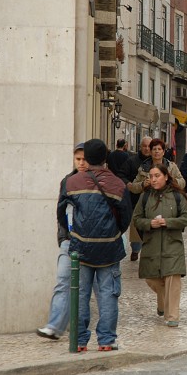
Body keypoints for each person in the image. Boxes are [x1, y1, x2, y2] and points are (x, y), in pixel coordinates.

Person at [58, 138, 132, 351]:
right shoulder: (117, 184)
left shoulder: (71, 183)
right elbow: (126, 215)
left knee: (80, 294)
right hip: (109, 247)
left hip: (80, 247)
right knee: (108, 294)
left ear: (87, 158)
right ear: (105, 157)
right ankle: (106, 341)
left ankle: (80, 341)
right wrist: (115, 232)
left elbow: (61, 213)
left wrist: (73, 234)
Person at [36, 143, 87, 341]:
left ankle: (82, 331)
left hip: (93, 242)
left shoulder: (98, 181)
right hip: (70, 240)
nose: (81, 163)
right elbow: (61, 211)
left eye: (84, 159)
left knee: (87, 287)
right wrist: (63, 236)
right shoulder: (67, 181)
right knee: (63, 282)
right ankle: (54, 326)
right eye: (78, 159)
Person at [133, 164, 187, 327]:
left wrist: (168, 222)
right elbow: (136, 219)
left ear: (166, 176)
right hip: (151, 244)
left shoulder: (177, 196)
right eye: (151, 176)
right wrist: (150, 223)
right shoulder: (145, 197)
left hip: (173, 244)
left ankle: (172, 316)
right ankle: (162, 301)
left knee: (173, 278)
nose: (153, 179)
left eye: (157, 176)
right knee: (152, 279)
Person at [118, 136, 152, 261]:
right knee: (136, 225)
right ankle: (136, 249)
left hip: (153, 201)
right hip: (135, 199)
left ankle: (149, 250)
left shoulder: (157, 162)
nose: (147, 149)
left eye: (149, 146)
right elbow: (121, 175)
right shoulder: (131, 161)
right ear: (140, 147)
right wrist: (129, 185)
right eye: (144, 146)